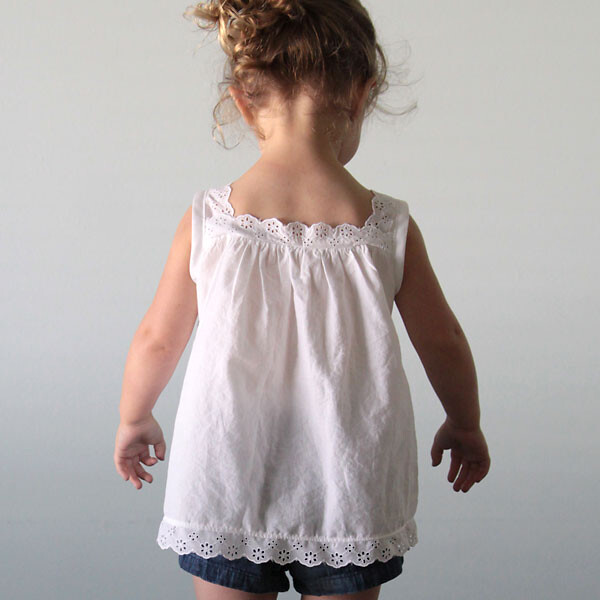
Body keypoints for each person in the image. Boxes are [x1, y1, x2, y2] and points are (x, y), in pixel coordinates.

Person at [114, 1, 491, 598]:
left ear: (242, 101)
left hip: (228, 475)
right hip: (350, 482)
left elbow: (157, 338)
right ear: (362, 96)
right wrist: (464, 421)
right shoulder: (386, 227)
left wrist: (135, 417)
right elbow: (443, 339)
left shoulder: (210, 221)